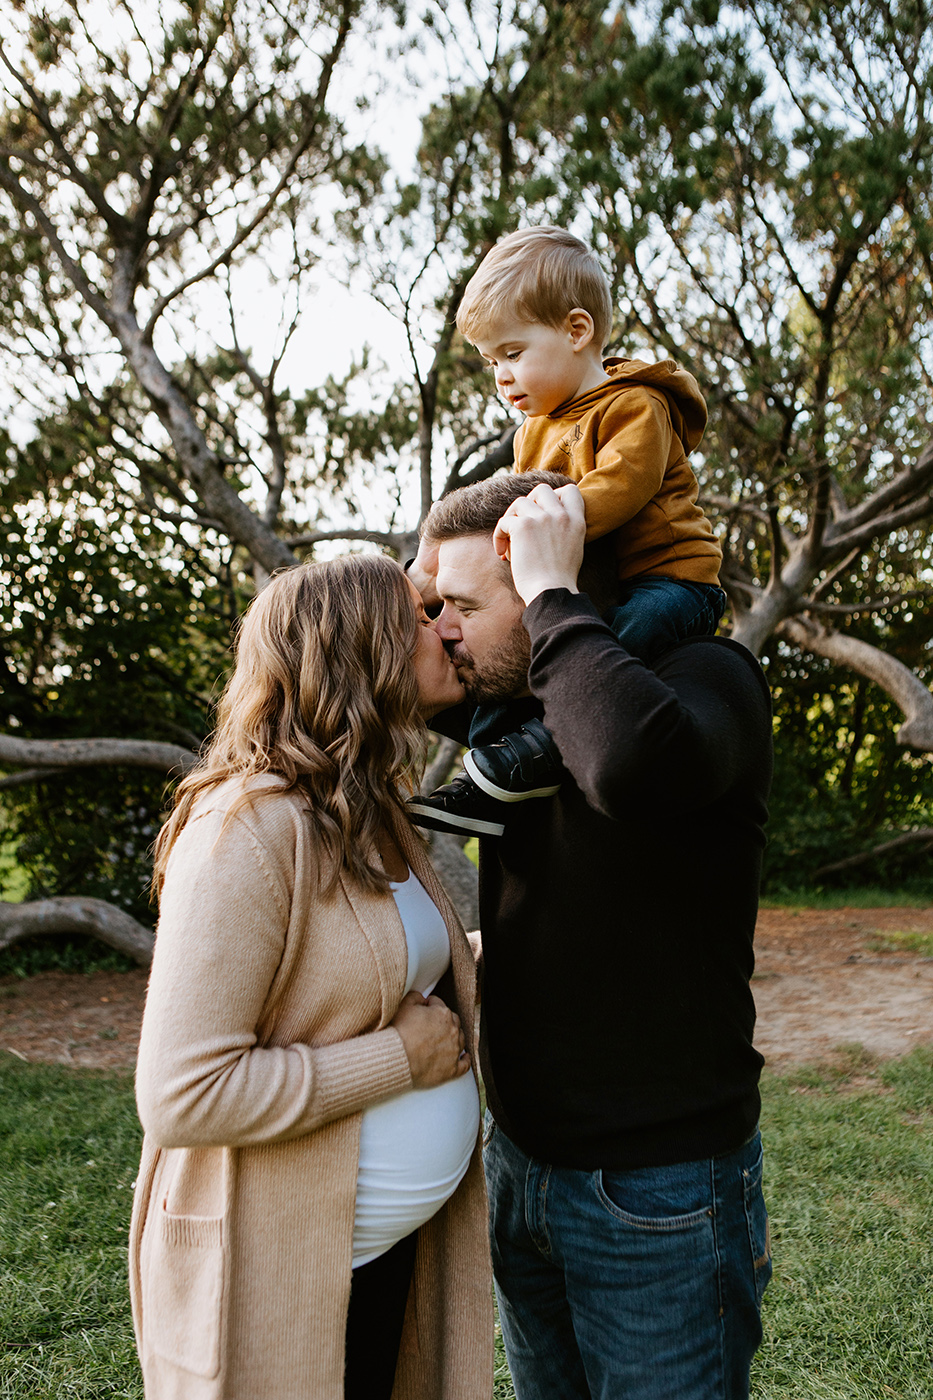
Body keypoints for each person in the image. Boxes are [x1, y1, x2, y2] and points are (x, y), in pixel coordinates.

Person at [412, 473, 773, 1400]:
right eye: (433, 605)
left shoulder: (706, 676)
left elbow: (624, 763)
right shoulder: (512, 698)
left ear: (553, 584)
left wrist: (549, 597)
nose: (442, 626)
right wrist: (417, 594)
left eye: (461, 604)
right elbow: (369, 676)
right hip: (522, 1162)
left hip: (660, 1190)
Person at [128, 555, 493, 1400]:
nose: (444, 627)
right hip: (279, 1274)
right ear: (360, 649)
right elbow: (182, 1094)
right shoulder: (246, 827)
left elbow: (365, 976)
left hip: (376, 1261)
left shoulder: (367, 810)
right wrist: (399, 1062)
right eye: (419, 615)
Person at [409, 225, 726, 838]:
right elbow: (516, 495)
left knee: (622, 637)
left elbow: (618, 490)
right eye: (491, 361)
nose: (500, 376)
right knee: (509, 655)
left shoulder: (635, 406)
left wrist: (524, 530)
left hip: (670, 579)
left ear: (576, 331)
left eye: (513, 353)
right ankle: (496, 756)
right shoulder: (534, 431)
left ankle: (538, 751)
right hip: (599, 582)